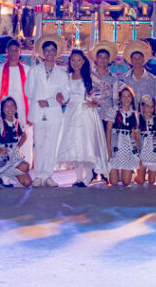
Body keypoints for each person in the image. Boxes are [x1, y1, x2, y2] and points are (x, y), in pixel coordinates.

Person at [58, 49, 109, 187]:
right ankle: (79, 178)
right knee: (75, 144)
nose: (76, 63)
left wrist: (96, 101)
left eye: (79, 60)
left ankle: (88, 176)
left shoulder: (89, 76)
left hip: (86, 112)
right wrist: (61, 98)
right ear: (70, 62)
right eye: (73, 60)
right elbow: (65, 97)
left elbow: (105, 87)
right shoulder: (67, 77)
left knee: (87, 144)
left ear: (83, 61)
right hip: (71, 113)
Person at [24, 35, 68, 187]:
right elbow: (29, 91)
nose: (49, 53)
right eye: (47, 50)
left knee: (51, 145)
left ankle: (48, 175)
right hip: (37, 113)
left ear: (56, 53)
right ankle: (38, 175)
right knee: (38, 144)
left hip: (53, 114)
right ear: (42, 53)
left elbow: (65, 94)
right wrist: (41, 99)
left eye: (52, 51)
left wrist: (49, 101)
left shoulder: (62, 74)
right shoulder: (34, 71)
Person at [0, 40, 30, 161]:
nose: (13, 53)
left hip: (22, 110)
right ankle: (3, 172)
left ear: (20, 52)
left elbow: (31, 93)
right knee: (2, 138)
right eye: (11, 50)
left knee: (23, 138)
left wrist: (32, 113)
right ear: (7, 51)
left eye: (16, 50)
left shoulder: (27, 69)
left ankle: (24, 165)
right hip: (3, 110)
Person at [0, 97, 32, 188]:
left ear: (16, 108)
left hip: (14, 155)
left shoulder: (18, 122)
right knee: (25, 166)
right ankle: (0, 174)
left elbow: (24, 136)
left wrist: (18, 147)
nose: (10, 109)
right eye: (6, 106)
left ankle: (4, 176)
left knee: (27, 182)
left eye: (12, 105)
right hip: (3, 156)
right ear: (2, 109)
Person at [106, 86, 141, 187]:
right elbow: (108, 131)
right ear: (120, 98)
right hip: (116, 146)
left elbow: (136, 135)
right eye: (123, 96)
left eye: (129, 96)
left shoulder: (135, 114)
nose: (126, 99)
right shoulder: (114, 111)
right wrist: (108, 150)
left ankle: (128, 173)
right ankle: (113, 172)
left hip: (128, 148)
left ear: (132, 98)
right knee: (114, 182)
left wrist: (138, 153)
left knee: (126, 182)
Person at [135, 94, 156, 186]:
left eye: (152, 106)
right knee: (141, 181)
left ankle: (148, 174)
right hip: (142, 154)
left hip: (153, 154)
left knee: (151, 182)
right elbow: (137, 138)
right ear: (142, 107)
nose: (150, 109)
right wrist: (137, 155)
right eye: (147, 106)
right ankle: (137, 176)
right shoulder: (138, 119)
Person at [119, 40, 156, 107]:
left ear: (143, 60)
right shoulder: (124, 78)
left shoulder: (152, 79)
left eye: (139, 58)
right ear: (131, 60)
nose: (137, 61)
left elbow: (154, 100)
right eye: (134, 58)